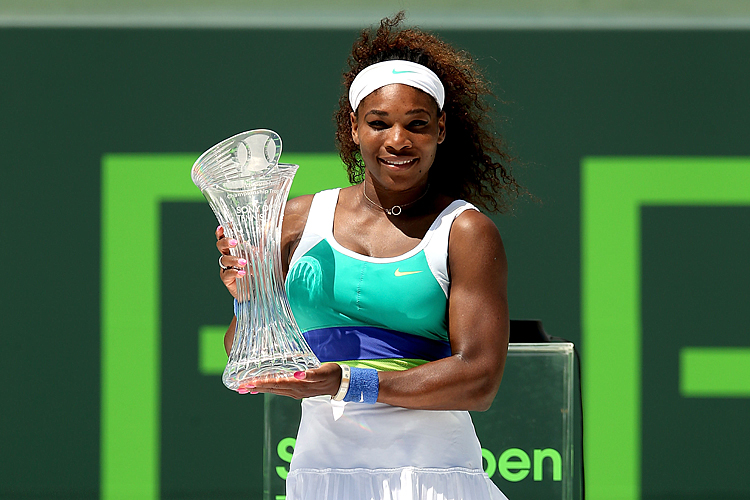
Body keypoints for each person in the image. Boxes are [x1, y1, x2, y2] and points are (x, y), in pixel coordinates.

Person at [215, 13, 521, 500]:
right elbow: (244, 354)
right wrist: (249, 299)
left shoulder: (466, 231)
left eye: (416, 125)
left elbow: (479, 380)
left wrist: (349, 382)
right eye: (379, 123)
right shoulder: (292, 220)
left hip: (434, 476)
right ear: (353, 128)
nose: (398, 140)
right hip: (319, 475)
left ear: (440, 130)